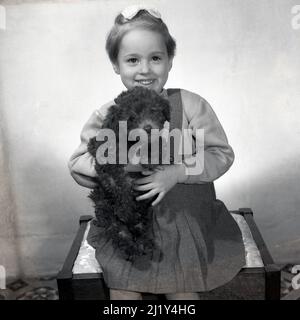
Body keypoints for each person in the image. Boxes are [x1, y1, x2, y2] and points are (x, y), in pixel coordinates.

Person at [68, 5, 245, 300]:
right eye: (132, 60)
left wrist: (179, 171)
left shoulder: (190, 105)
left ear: (170, 60)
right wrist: (121, 164)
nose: (145, 69)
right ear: (116, 65)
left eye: (155, 58)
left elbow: (220, 154)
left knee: (183, 290)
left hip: (184, 221)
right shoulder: (107, 115)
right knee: (123, 289)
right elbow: (78, 163)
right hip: (131, 227)